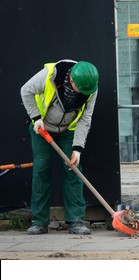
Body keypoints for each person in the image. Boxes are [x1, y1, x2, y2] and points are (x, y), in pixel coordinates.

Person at [21, 59, 99, 235]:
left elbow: (85, 119)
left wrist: (78, 148)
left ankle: (76, 221)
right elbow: (25, 90)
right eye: (81, 90)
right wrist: (35, 117)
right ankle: (39, 222)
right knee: (41, 170)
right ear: (71, 80)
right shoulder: (50, 75)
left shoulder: (90, 87)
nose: (84, 94)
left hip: (67, 130)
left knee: (74, 169)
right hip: (41, 128)